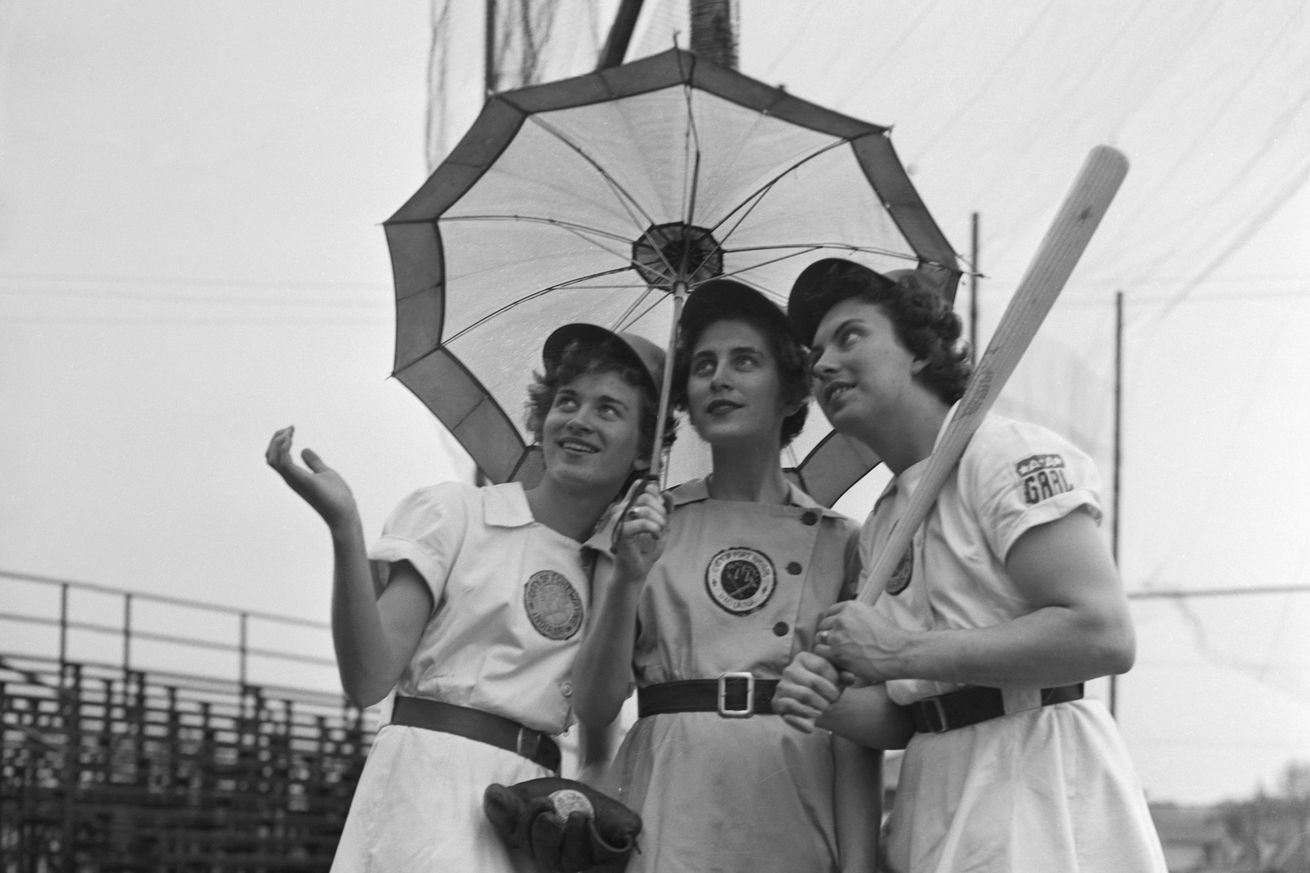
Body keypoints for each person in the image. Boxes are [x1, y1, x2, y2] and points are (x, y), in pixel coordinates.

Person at [773, 258, 1168, 873]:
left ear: (920, 353)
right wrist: (830, 701)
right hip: (932, 797)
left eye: (850, 336)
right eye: (816, 351)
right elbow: (909, 716)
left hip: (1039, 781)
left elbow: (1102, 634)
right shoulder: (879, 526)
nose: (822, 364)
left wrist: (900, 652)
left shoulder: (1004, 455)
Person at [265, 323, 669, 873]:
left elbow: (599, 740)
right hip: (420, 795)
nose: (578, 420)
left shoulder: (619, 573)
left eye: (608, 409)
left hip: (526, 822)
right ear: (541, 416)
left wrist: (578, 818)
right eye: (567, 401)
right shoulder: (455, 514)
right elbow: (368, 679)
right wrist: (344, 528)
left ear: (645, 448)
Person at [572, 279, 888, 873]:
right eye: (704, 365)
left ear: (792, 391)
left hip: (794, 807)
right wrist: (627, 578)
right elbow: (593, 706)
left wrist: (859, 866)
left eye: (745, 361)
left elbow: (855, 737)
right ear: (685, 398)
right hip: (669, 805)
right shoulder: (641, 525)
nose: (720, 378)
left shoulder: (841, 541)